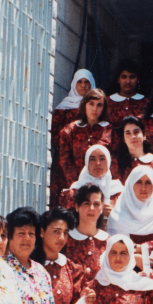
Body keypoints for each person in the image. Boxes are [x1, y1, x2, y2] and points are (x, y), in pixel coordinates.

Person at [106, 166, 153, 261]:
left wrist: (139, 248)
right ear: (130, 185)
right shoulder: (117, 215)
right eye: (138, 182)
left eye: (148, 182)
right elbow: (112, 248)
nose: (143, 187)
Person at [50, 69, 96, 205]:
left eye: (87, 82)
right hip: (65, 161)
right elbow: (54, 137)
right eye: (79, 82)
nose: (83, 85)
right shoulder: (63, 108)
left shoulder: (97, 107)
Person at [58, 88, 112, 194]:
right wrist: (77, 184)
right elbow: (65, 160)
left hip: (102, 186)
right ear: (84, 105)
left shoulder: (109, 130)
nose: (95, 109)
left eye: (99, 105)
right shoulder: (70, 130)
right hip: (76, 186)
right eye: (91, 104)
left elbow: (113, 161)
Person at [64, 183, 110, 292]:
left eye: (96, 204)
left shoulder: (108, 242)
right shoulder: (65, 239)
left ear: (102, 208)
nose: (91, 208)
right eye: (86, 203)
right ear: (76, 206)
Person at [63, 144, 123, 217]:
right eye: (92, 159)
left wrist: (114, 214)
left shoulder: (118, 191)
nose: (97, 163)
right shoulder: (75, 190)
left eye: (102, 159)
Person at [112, 115, 153, 185]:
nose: (133, 136)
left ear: (144, 135)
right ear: (124, 139)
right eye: (128, 133)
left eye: (136, 132)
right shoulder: (115, 164)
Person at [107, 58, 148, 127]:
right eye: (124, 77)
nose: (128, 81)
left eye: (132, 77)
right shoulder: (107, 102)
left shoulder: (146, 102)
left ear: (138, 79)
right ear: (118, 79)